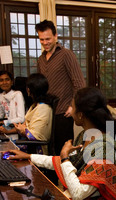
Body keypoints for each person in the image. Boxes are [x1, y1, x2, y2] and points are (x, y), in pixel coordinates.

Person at [7, 87, 116, 200]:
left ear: (81, 115)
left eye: (72, 106)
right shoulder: (87, 136)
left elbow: (77, 193)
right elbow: (64, 164)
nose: (70, 110)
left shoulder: (104, 149)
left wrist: (64, 157)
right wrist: (29, 157)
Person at [36, 19, 86, 156]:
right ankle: (50, 178)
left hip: (63, 112)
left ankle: (65, 178)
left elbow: (80, 84)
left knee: (64, 153)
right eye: (41, 39)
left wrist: (72, 106)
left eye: (48, 39)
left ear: (55, 36)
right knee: (49, 152)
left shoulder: (66, 55)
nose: (45, 43)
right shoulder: (40, 59)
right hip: (47, 113)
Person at [0, 73, 53, 154]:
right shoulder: (35, 105)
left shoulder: (43, 108)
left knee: (4, 153)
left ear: (29, 90)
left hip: (36, 149)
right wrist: (20, 128)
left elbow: (35, 136)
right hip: (29, 144)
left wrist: (22, 130)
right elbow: (26, 125)